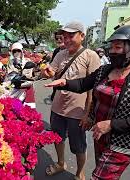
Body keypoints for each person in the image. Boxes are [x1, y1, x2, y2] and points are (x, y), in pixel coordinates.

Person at [45, 25, 130, 179]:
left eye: (118, 47)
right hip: (100, 135)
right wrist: (65, 82)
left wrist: (112, 124)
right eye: (111, 47)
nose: (112, 51)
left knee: (99, 177)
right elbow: (84, 84)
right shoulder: (105, 70)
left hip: (123, 142)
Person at [41, 21, 101, 180]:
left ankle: (79, 172)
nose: (66, 40)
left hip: (78, 112)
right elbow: (51, 70)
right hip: (57, 108)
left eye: (71, 36)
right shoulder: (60, 54)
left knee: (79, 146)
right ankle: (61, 163)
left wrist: (88, 114)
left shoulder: (90, 56)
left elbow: (93, 89)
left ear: (82, 36)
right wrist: (47, 73)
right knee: (57, 138)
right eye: (64, 36)